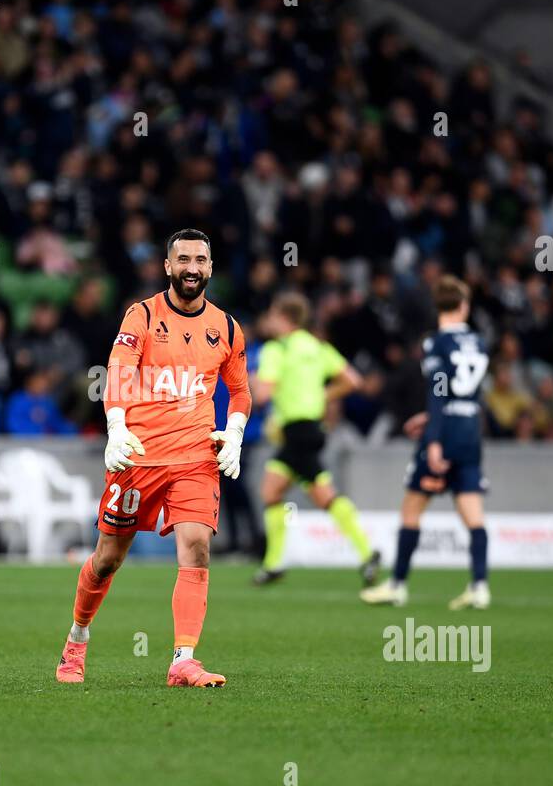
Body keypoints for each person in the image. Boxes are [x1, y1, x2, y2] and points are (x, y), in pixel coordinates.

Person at [53, 229, 251, 689]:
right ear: (167, 266)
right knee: (107, 559)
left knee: (197, 547)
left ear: (210, 267)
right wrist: (117, 427)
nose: (192, 268)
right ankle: (77, 639)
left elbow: (240, 391)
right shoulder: (141, 316)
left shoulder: (226, 328)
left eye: (200, 260)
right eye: (183, 259)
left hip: (196, 457)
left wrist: (235, 433)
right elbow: (117, 372)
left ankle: (183, 660)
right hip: (139, 457)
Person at [362, 276, 491, 610]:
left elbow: (437, 393)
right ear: (464, 306)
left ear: (438, 307)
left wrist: (433, 438)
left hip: (444, 435)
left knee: (411, 509)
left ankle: (397, 585)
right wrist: (434, 418)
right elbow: (466, 394)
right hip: (470, 431)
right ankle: (479, 586)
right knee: (473, 514)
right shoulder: (478, 342)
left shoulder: (436, 343)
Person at [251, 291, 380, 587]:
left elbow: (262, 395)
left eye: (273, 314)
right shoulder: (316, 346)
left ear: (284, 318)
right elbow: (353, 380)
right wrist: (324, 395)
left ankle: (365, 551)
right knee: (274, 491)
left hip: (295, 432)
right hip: (312, 430)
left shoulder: (277, 349)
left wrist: (251, 379)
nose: (269, 320)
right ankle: (273, 564)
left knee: (314, 494)